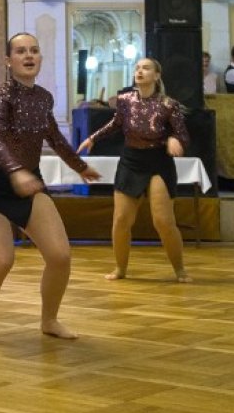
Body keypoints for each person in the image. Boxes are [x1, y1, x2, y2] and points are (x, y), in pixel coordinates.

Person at [0, 33, 100, 342]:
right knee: (1, 260)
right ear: (9, 61)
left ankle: (50, 320)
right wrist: (15, 171)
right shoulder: (1, 95)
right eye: (21, 51)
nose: (29, 55)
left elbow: (54, 136)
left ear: (40, 58)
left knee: (60, 256)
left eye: (34, 50)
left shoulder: (43, 98)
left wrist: (80, 166)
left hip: (30, 182)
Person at [81, 57, 190, 283]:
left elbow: (182, 134)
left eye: (146, 68)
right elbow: (116, 124)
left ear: (157, 76)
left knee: (163, 221)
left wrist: (174, 139)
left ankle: (180, 269)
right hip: (131, 161)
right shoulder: (125, 100)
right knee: (121, 219)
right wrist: (93, 138)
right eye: (137, 68)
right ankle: (120, 268)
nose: (140, 71)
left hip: (159, 162)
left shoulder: (168, 104)